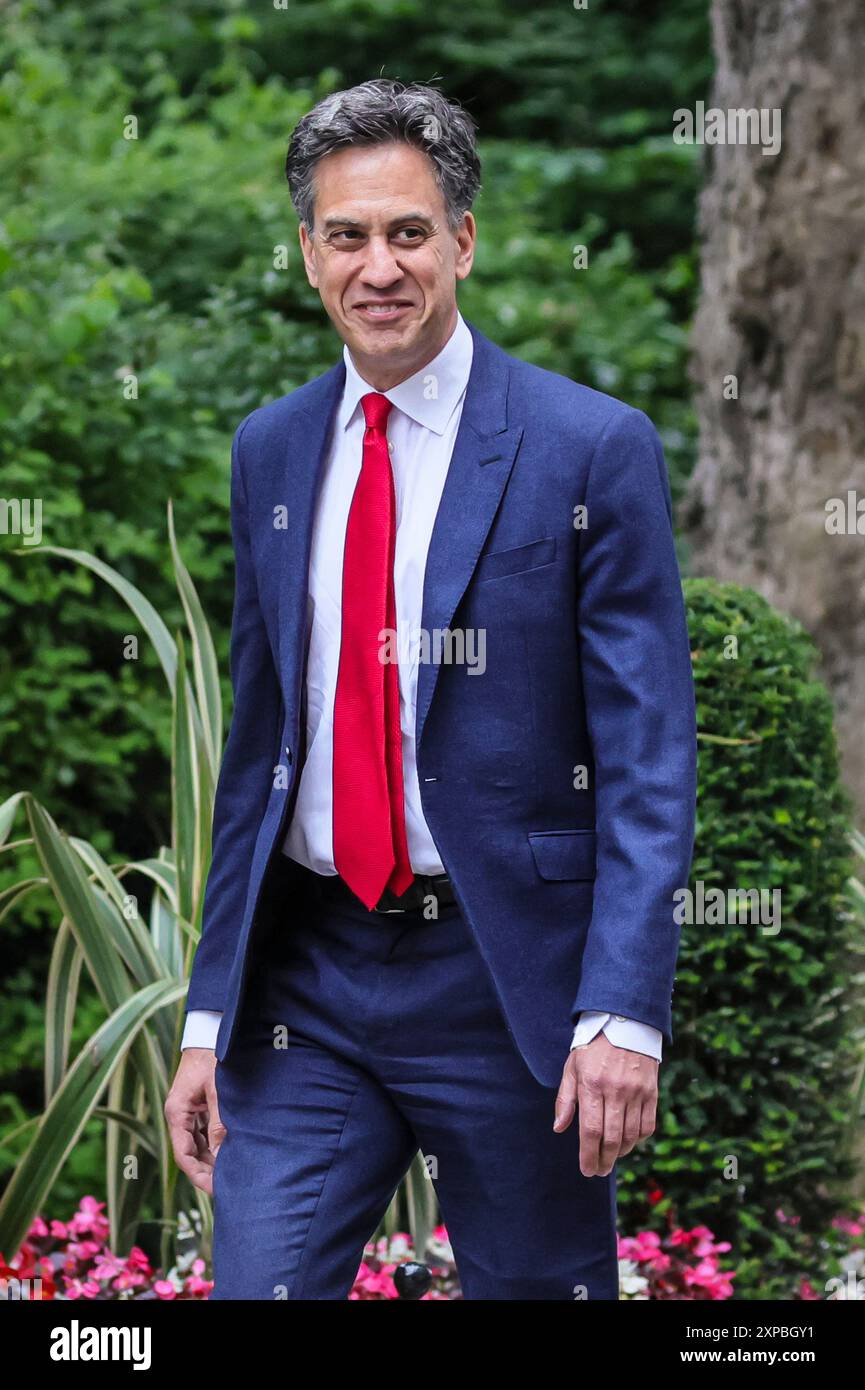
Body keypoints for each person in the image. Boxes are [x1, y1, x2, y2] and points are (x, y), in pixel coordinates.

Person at [164, 77, 697, 1301]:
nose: (379, 265)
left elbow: (648, 758)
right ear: (308, 254)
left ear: (463, 238)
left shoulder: (587, 446)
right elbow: (256, 751)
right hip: (309, 982)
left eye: (408, 231)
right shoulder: (271, 450)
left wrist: (622, 1010)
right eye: (346, 236)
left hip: (508, 982)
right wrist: (207, 1021)